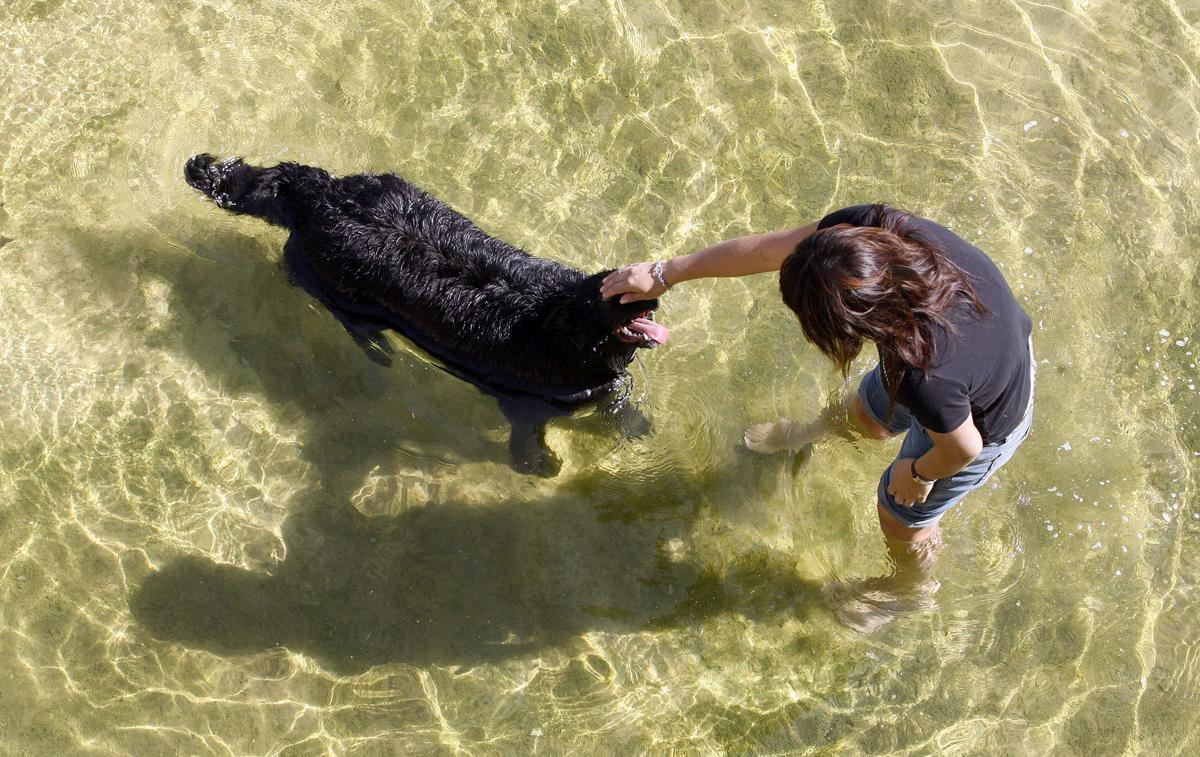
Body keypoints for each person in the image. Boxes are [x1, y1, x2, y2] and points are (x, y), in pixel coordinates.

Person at [600, 204, 1035, 632]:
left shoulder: (927, 374)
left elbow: (962, 447)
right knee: (866, 412)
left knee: (900, 511)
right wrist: (664, 273)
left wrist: (918, 474)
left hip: (987, 418)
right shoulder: (878, 228)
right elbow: (767, 249)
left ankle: (910, 589)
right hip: (958, 353)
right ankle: (812, 433)